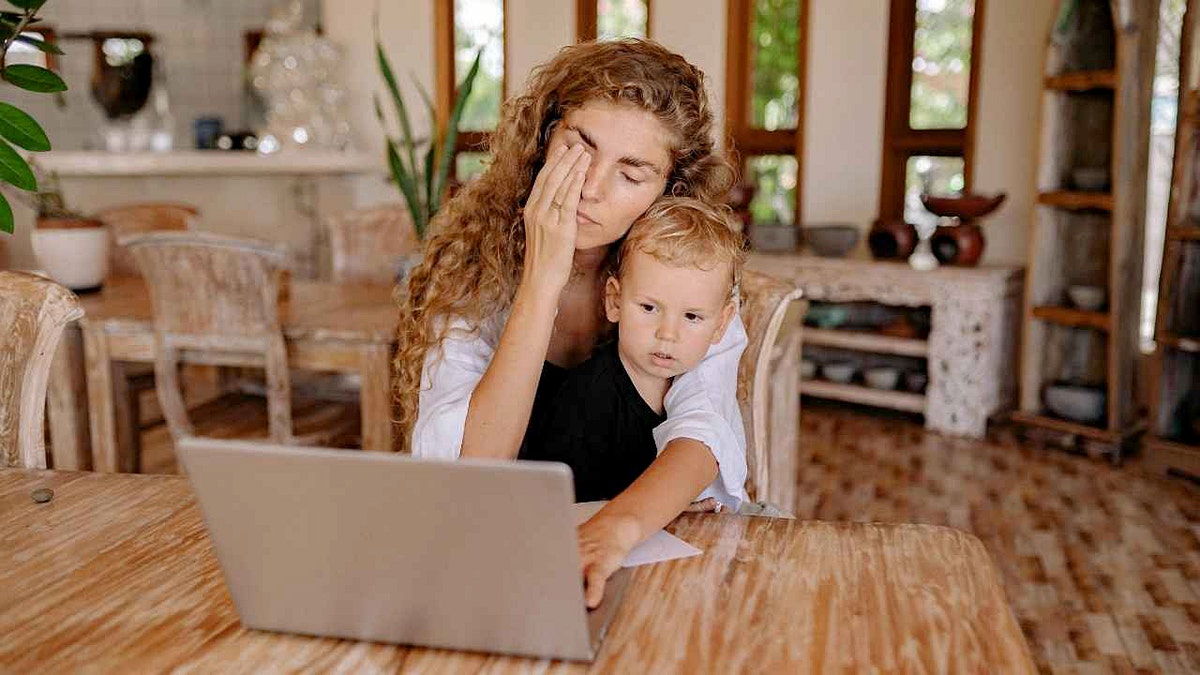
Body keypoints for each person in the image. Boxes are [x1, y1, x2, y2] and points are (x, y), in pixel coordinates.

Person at [393, 39, 747, 609]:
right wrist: (542, 276)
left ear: (667, 190)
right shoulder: (468, 269)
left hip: (635, 548)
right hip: (499, 557)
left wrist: (615, 531)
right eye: (578, 150)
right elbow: (468, 469)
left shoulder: (686, 278)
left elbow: (703, 434)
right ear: (543, 140)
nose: (589, 188)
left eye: (631, 175)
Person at [520, 197, 745, 506]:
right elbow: (566, 511)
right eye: (649, 308)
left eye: (691, 317)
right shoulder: (587, 400)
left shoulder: (699, 389)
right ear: (614, 301)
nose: (668, 333)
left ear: (721, 324)